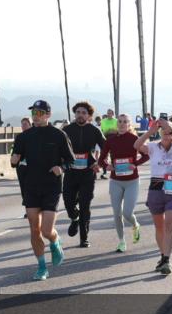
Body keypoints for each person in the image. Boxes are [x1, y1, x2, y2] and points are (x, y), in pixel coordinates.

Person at [10, 100, 74, 280]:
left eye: (39, 113)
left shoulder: (59, 135)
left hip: (51, 187)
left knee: (46, 230)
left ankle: (55, 241)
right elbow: (15, 160)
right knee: (34, 230)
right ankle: (41, 267)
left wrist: (61, 168)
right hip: (30, 186)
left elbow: (70, 160)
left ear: (48, 115)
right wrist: (14, 160)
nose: (35, 116)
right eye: (33, 113)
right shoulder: (24, 137)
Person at [136, 117, 172, 275]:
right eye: (163, 131)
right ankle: (163, 255)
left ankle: (166, 260)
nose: (166, 133)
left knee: (168, 226)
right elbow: (136, 146)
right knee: (159, 227)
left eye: (169, 131)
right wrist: (150, 132)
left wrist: (170, 127)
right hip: (155, 189)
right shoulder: (152, 146)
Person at [99, 114, 149, 252]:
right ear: (117, 124)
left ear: (129, 124)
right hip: (116, 181)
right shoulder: (111, 140)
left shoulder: (134, 139)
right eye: (119, 122)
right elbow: (101, 159)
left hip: (132, 181)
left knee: (127, 213)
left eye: (125, 122)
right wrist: (106, 166)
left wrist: (136, 164)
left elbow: (147, 155)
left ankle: (135, 224)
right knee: (117, 214)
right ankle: (121, 241)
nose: (121, 124)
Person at [62, 101, 107, 247]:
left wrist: (99, 163)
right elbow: (58, 149)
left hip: (88, 173)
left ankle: (84, 237)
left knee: (85, 204)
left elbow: (106, 148)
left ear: (89, 116)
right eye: (78, 112)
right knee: (68, 201)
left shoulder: (94, 131)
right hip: (70, 172)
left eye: (84, 113)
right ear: (74, 114)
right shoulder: (67, 130)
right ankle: (74, 218)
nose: (80, 115)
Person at [14, 117, 32, 219]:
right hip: (22, 167)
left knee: (32, 189)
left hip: (33, 168)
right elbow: (15, 152)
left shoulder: (35, 136)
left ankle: (35, 209)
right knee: (24, 189)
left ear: (30, 124)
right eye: (22, 124)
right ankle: (27, 210)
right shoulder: (19, 137)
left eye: (25, 124)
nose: (23, 126)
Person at [99, 109, 118, 179]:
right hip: (105, 139)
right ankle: (104, 173)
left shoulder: (116, 121)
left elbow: (118, 130)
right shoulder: (103, 121)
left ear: (113, 113)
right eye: (108, 113)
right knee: (104, 156)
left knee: (114, 155)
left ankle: (115, 170)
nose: (108, 114)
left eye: (110, 113)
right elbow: (102, 131)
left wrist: (114, 131)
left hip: (115, 139)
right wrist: (108, 131)